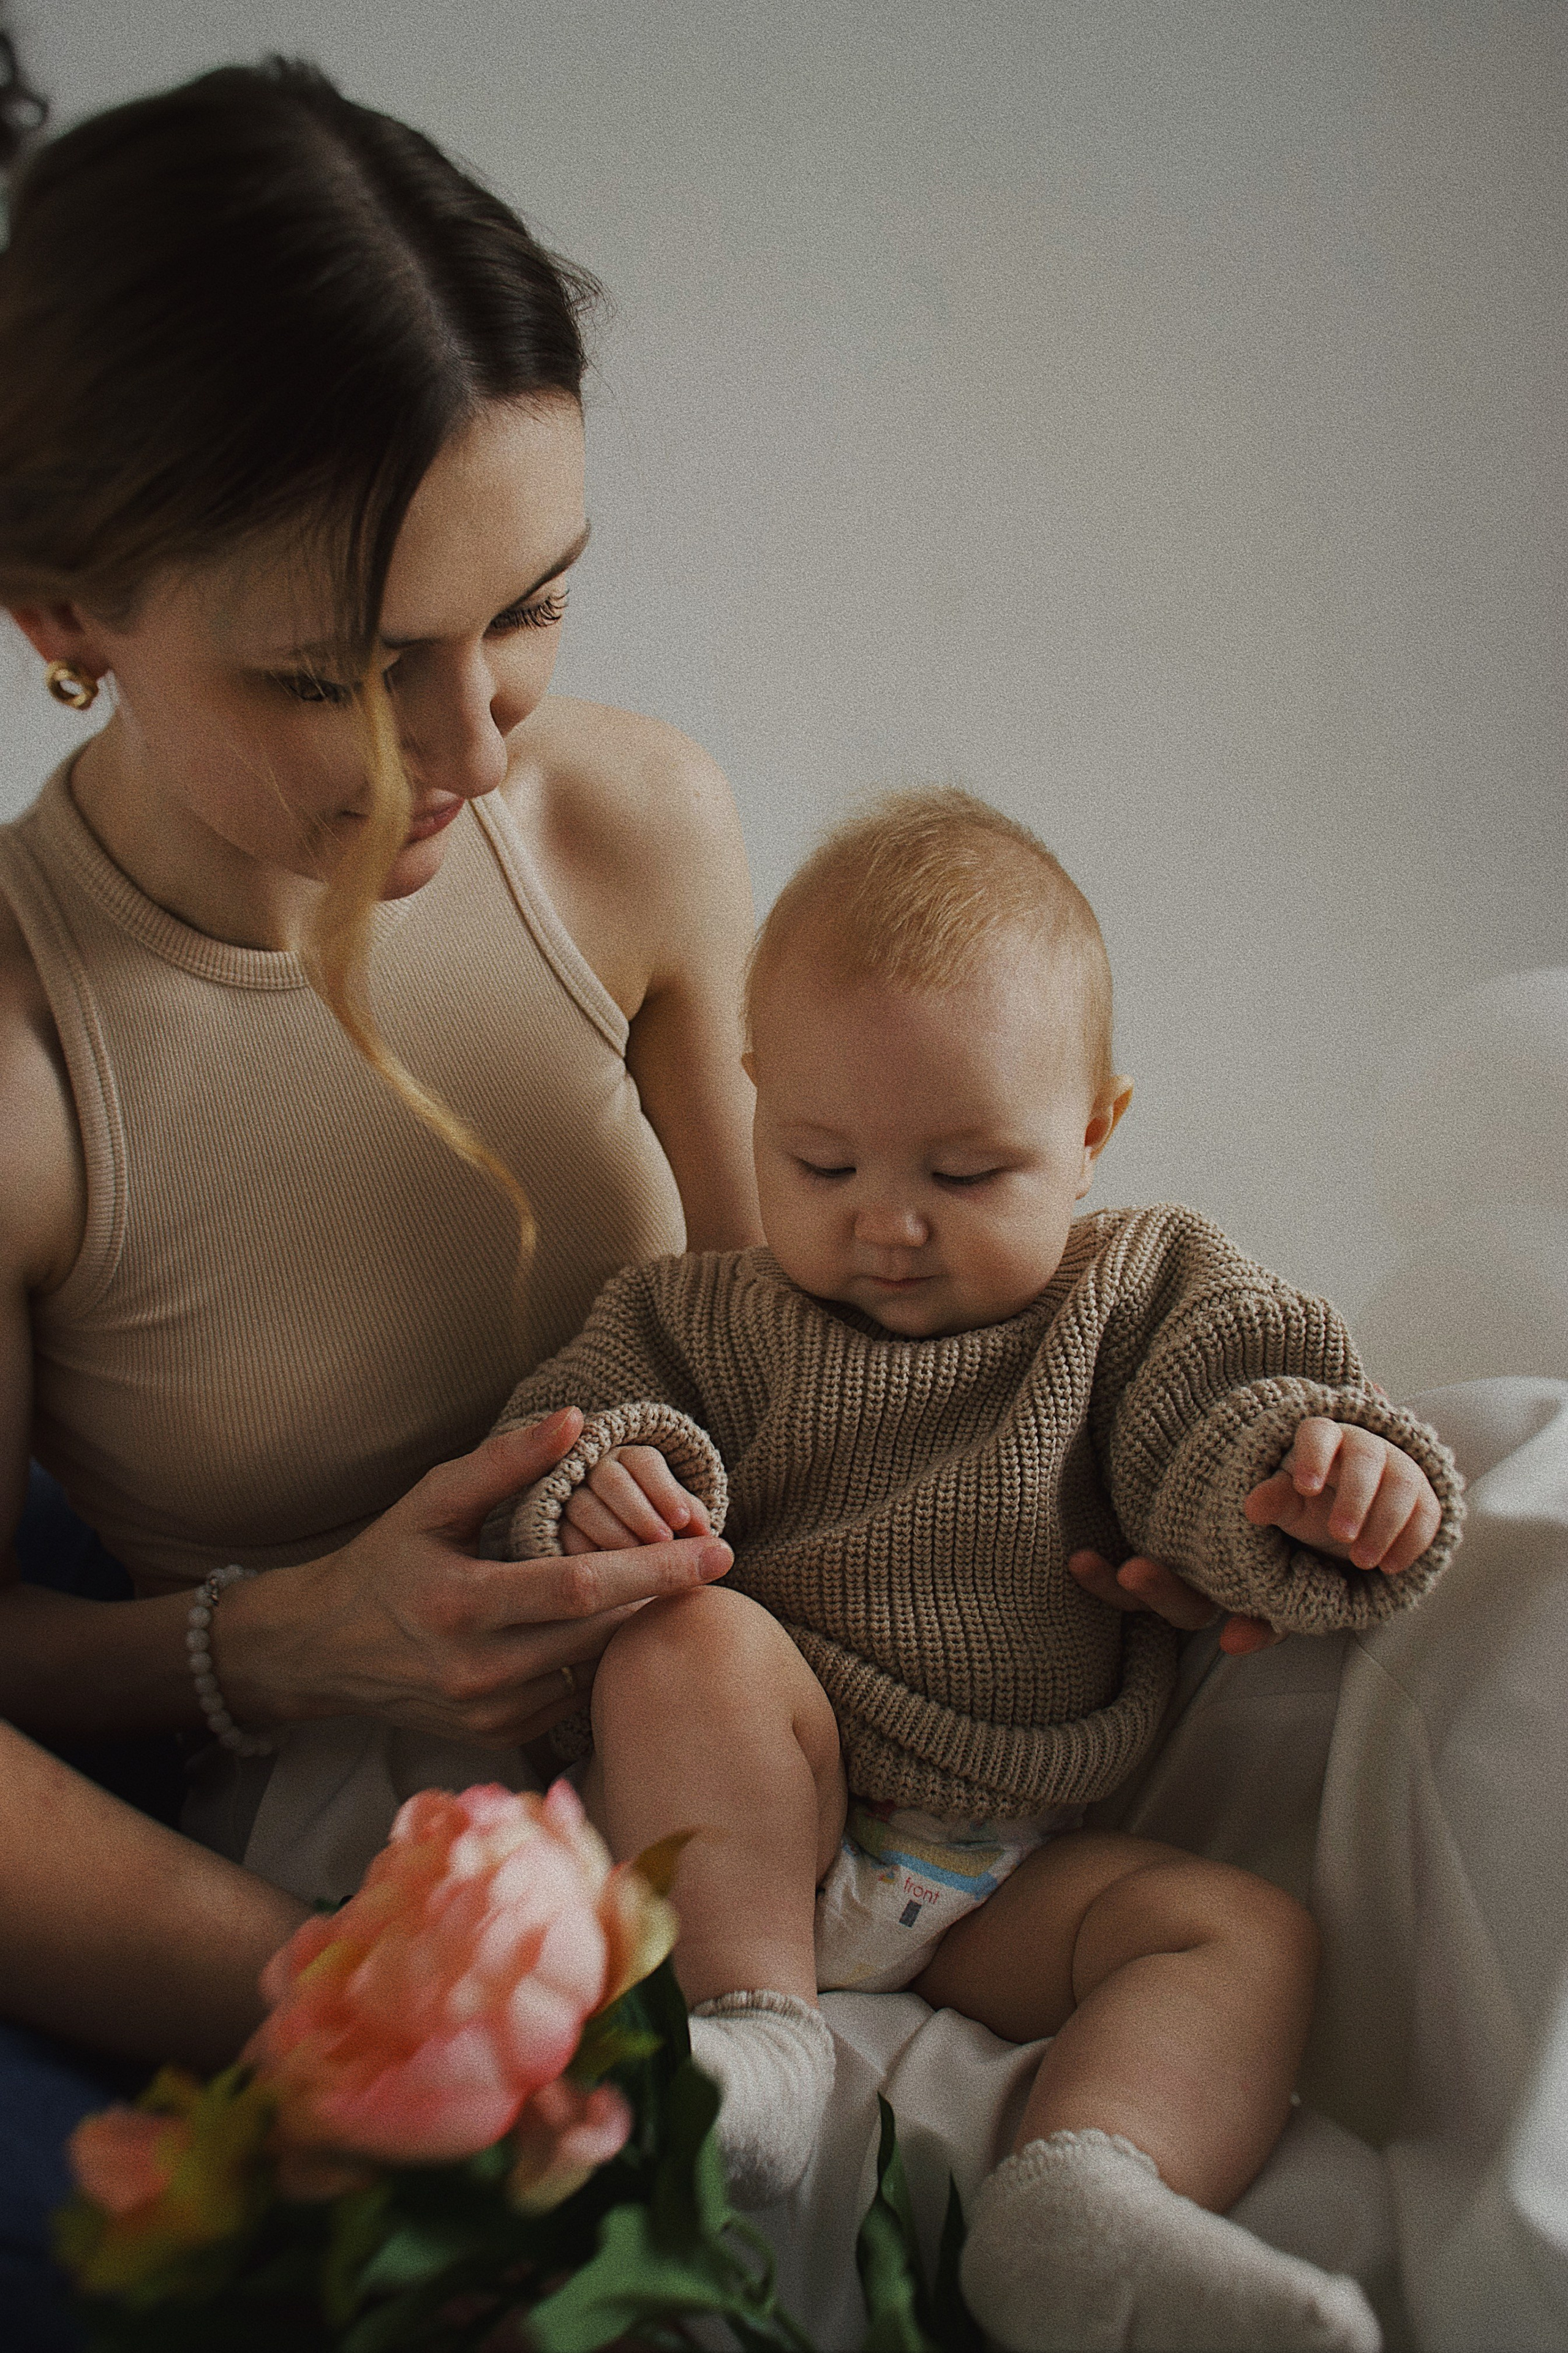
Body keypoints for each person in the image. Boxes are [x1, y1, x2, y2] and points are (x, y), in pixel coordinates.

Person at [483, 789, 1463, 2352]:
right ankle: (753, 2046)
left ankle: (1084, 2199)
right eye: (818, 1163)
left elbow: (1223, 1424)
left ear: (1089, 1134)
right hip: (761, 1816)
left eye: (964, 1171)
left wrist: (1319, 1479)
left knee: (1238, 1935)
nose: (885, 1224)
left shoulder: (1134, 1294)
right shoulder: (702, 1314)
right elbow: (552, 1436)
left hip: (1002, 1866)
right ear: (754, 1105)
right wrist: (603, 1480)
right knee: (695, 1644)